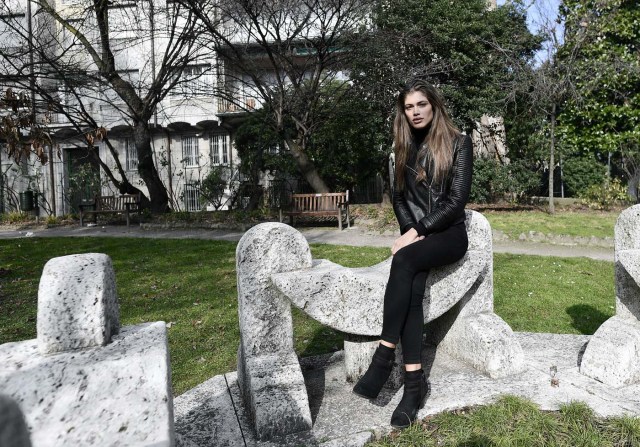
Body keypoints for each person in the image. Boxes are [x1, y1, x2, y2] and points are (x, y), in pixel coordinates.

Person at [352, 79, 473, 428]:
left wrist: (417, 233)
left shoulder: (458, 143)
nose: (415, 111)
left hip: (448, 235)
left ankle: (384, 355)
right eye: (409, 106)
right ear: (403, 112)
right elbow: (400, 198)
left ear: (433, 106)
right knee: (413, 282)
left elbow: (455, 202)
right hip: (416, 238)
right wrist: (409, 232)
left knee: (403, 260)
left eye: (421, 104)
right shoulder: (400, 147)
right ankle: (414, 386)